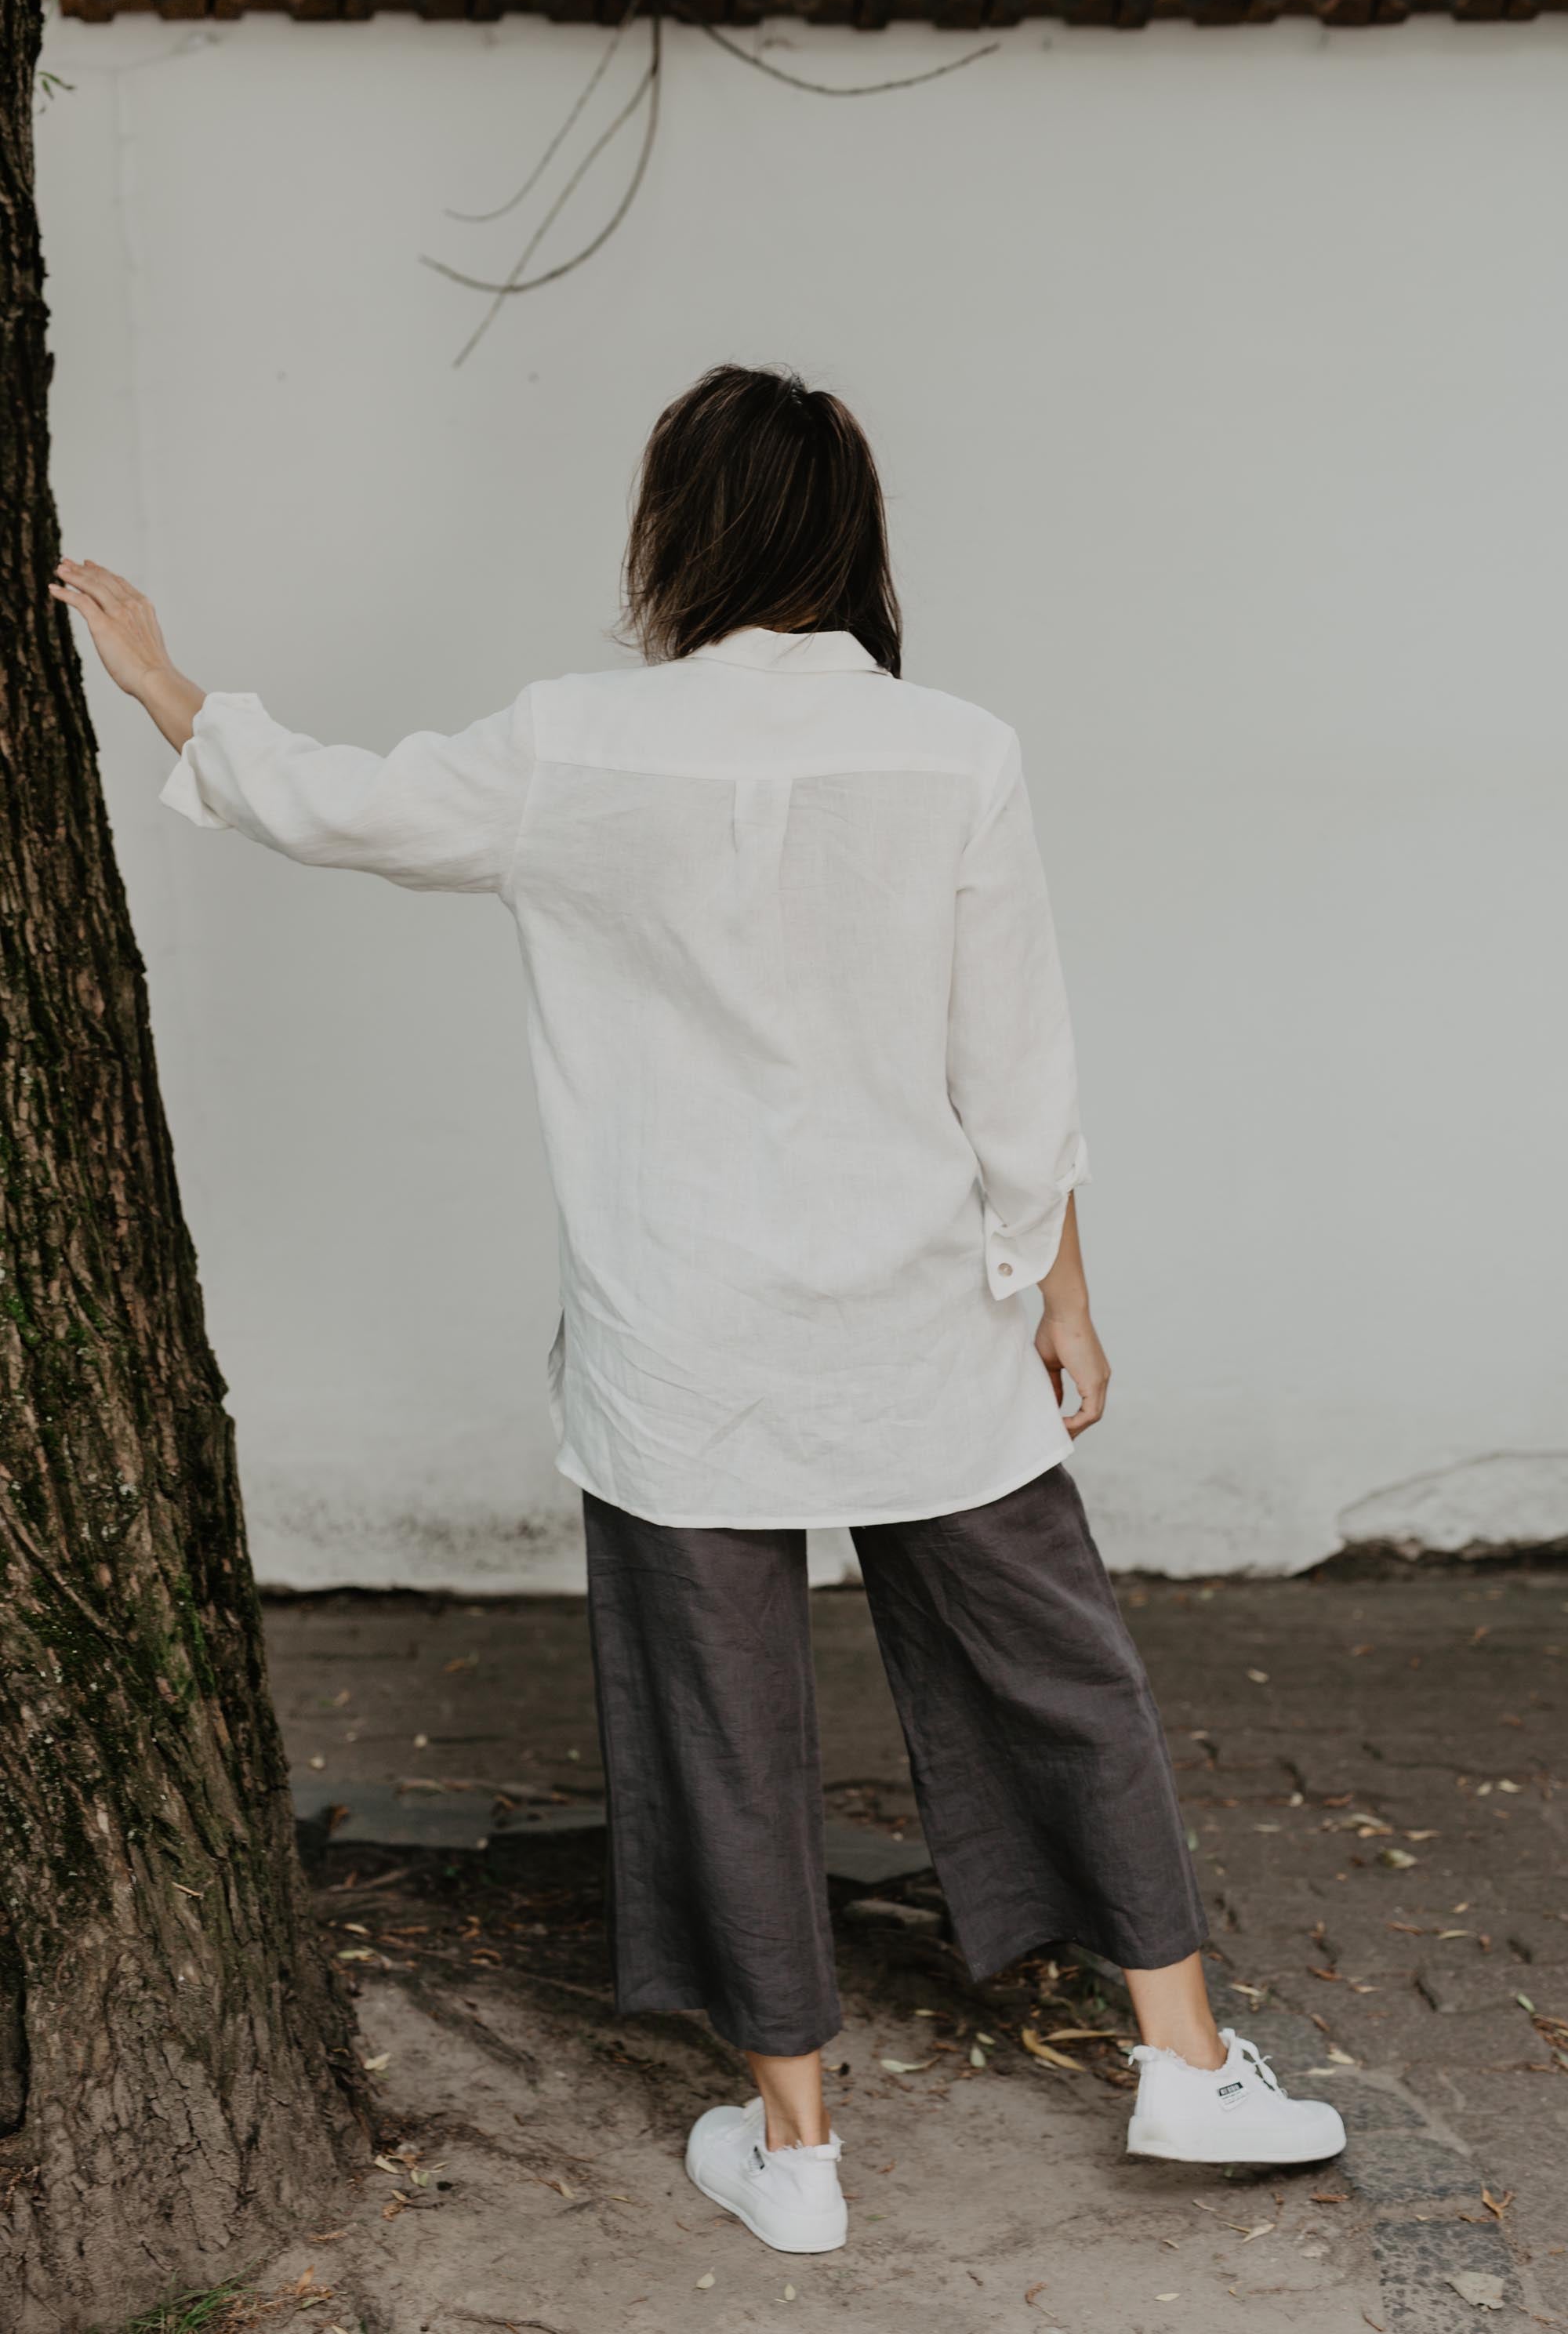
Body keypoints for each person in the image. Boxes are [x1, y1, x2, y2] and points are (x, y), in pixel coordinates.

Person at [53, 361, 1345, 2259]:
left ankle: (796, 2151)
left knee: (722, 1726)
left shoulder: (578, 741)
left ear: (675, 535)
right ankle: (1182, 2059)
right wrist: (1064, 1298)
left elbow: (338, 805)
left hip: (682, 1337)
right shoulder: (953, 749)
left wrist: (171, 687)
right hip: (925, 1316)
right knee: (1060, 1674)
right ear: (850, 536)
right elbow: (1020, 1074)